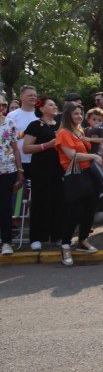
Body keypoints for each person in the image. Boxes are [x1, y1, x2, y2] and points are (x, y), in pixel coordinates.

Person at [55, 102, 103, 266]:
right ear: (68, 115)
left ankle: (82, 240)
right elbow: (72, 155)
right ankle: (65, 246)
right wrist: (94, 157)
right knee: (73, 212)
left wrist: (99, 154)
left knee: (89, 209)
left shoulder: (80, 131)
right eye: (76, 113)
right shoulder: (63, 132)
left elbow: (87, 151)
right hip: (74, 176)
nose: (79, 116)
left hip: (88, 175)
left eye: (80, 113)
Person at [21, 96, 63, 250]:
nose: (54, 107)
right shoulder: (35, 125)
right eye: (51, 105)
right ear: (42, 108)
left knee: (58, 201)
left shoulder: (59, 124)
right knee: (40, 202)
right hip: (41, 169)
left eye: (55, 104)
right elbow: (26, 148)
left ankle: (57, 235)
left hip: (58, 168)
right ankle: (36, 237)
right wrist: (47, 145)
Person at [0, 96, 25, 255]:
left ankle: (6, 242)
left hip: (7, 170)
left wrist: (20, 172)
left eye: (2, 104)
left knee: (4, 206)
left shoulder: (9, 123)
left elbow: (16, 149)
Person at [7, 84, 38, 177]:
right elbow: (7, 138)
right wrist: (26, 133)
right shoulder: (12, 115)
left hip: (38, 158)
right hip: (18, 160)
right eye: (30, 95)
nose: (33, 97)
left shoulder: (41, 114)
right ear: (21, 97)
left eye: (35, 95)